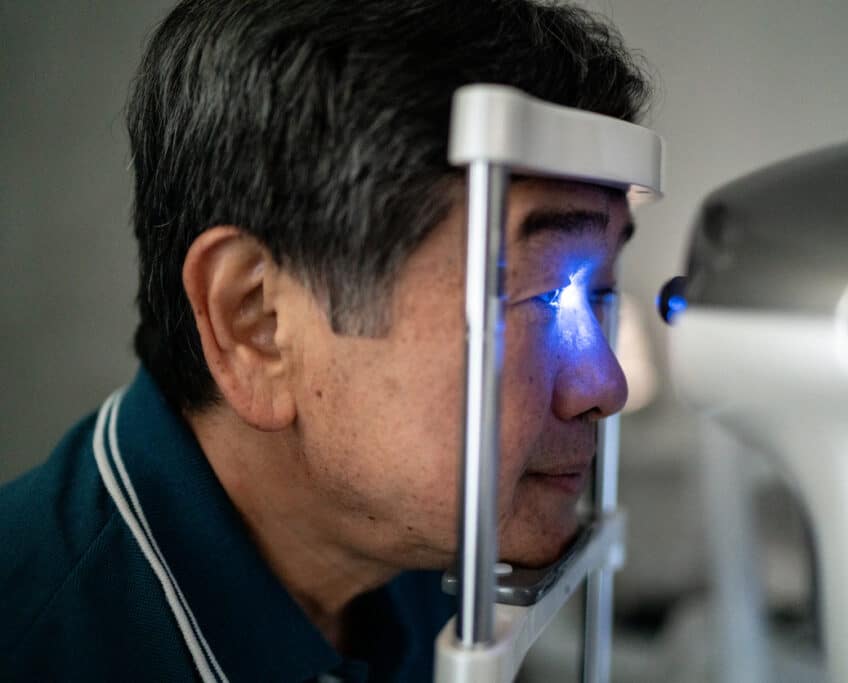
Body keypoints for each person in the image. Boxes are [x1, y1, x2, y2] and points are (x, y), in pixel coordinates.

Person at [0, 0, 652, 680]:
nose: (607, 384)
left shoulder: (415, 563)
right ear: (259, 323)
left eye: (598, 290)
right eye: (549, 293)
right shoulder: (39, 645)